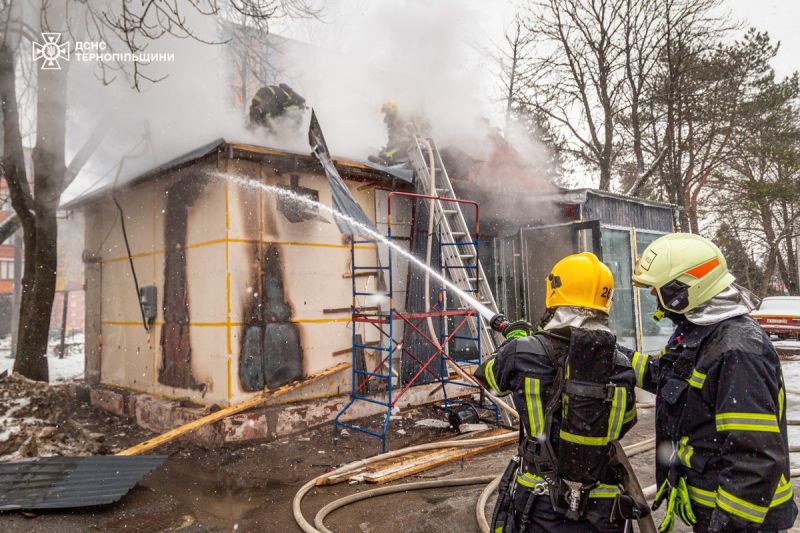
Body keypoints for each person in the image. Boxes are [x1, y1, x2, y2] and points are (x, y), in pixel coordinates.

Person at [628, 233, 797, 532]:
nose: (654, 297)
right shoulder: (700, 333)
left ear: (681, 290)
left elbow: (754, 458)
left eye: (657, 290)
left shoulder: (736, 350)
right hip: (711, 509)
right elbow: (672, 379)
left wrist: (727, 525)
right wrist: (615, 357)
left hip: (744, 521)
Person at [476, 252, 639, 532]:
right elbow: (625, 423)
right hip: (604, 507)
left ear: (554, 293)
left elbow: (488, 378)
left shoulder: (522, 351)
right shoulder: (621, 363)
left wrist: (514, 341)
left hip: (539, 501)